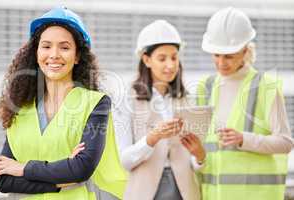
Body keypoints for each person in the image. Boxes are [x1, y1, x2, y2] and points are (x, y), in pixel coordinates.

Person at [0, 6, 126, 200]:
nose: (54, 54)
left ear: (77, 56)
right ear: (36, 53)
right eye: (46, 46)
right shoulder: (20, 107)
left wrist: (22, 168)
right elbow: (3, 180)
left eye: (64, 47)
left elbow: (81, 169)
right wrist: (59, 180)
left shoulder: (96, 103)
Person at [196, 7, 294, 200]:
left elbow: (285, 142)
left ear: (245, 50)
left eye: (229, 56)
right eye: (216, 55)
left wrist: (244, 139)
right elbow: (201, 150)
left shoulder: (266, 87)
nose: (221, 62)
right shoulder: (204, 88)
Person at [113, 20, 205, 200]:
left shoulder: (187, 98)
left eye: (174, 57)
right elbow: (126, 160)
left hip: (184, 191)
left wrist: (199, 156)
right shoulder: (127, 98)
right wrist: (152, 138)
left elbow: (193, 161)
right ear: (146, 59)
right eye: (162, 58)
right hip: (144, 192)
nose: (170, 65)